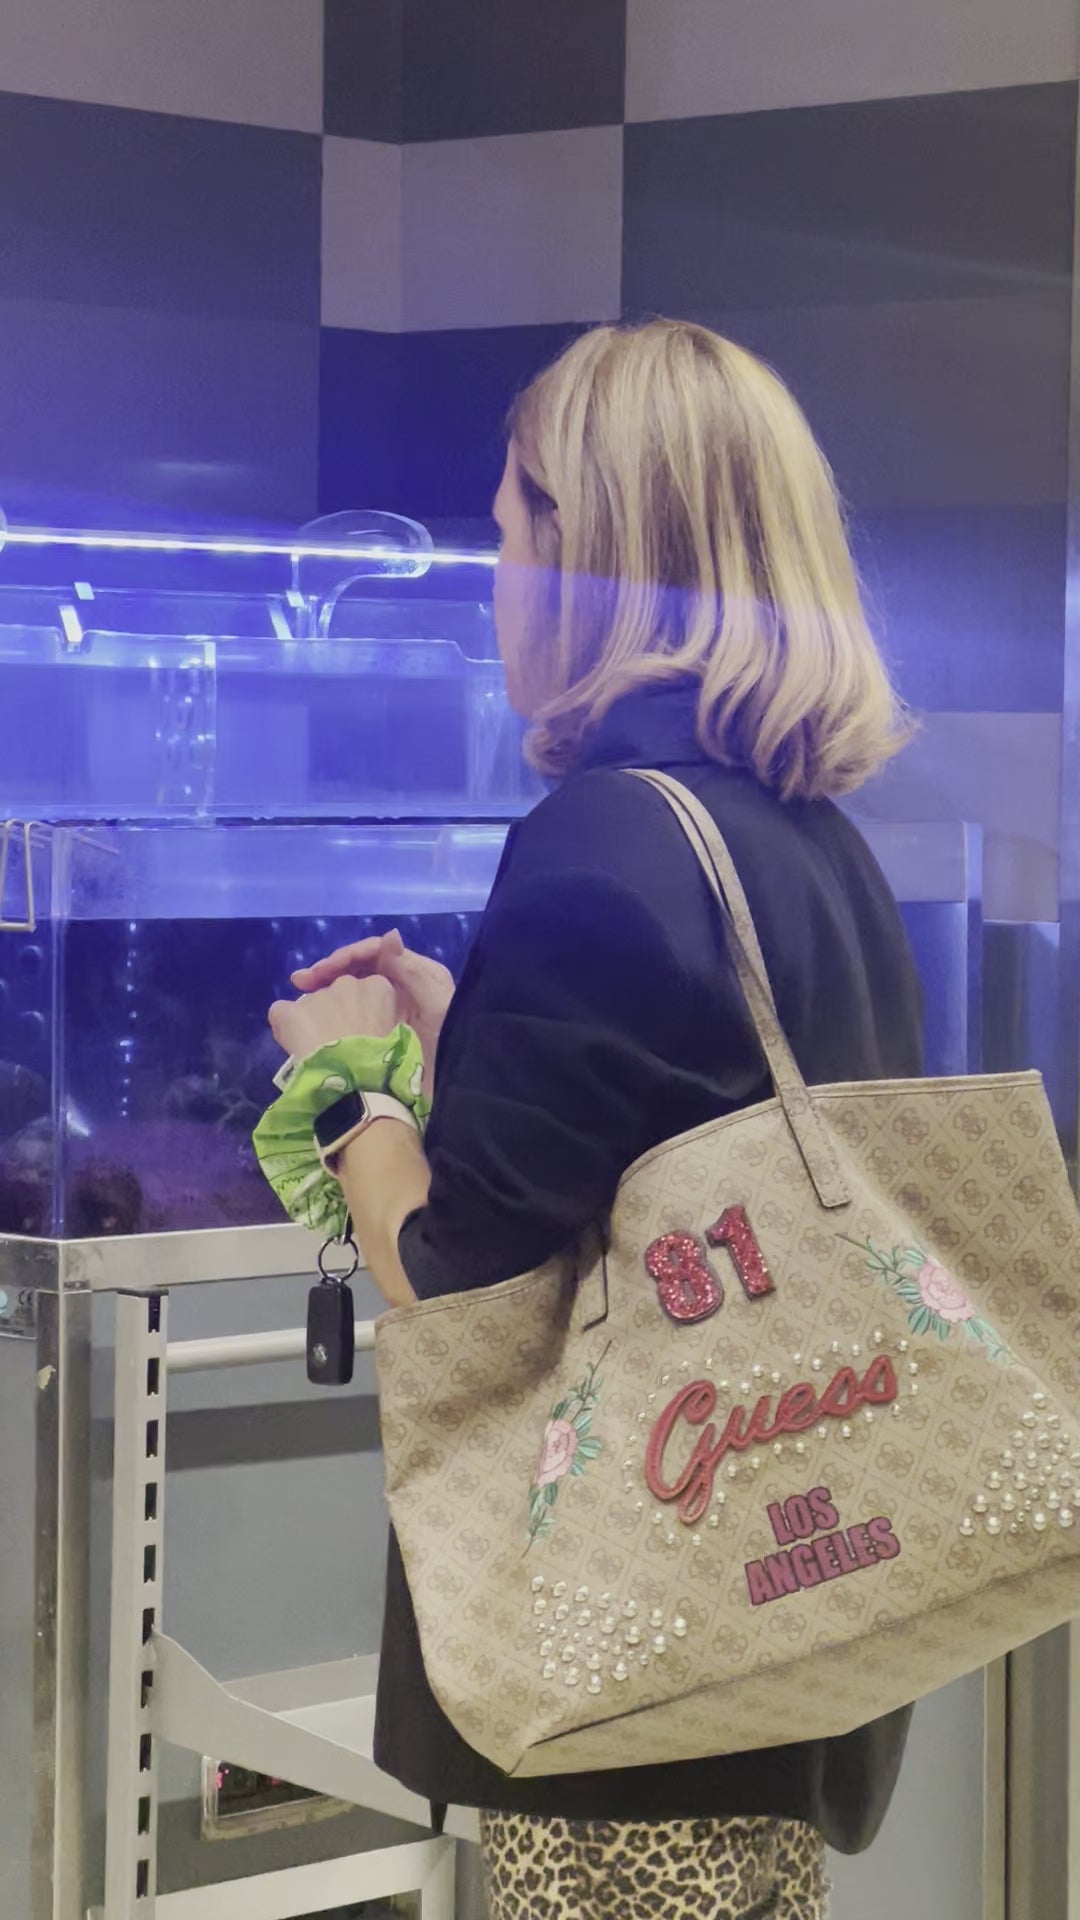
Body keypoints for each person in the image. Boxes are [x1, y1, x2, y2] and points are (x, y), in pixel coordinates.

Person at [267, 319, 923, 1920]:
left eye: (507, 533)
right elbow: (663, 1145)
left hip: (634, 1675)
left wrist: (350, 1089)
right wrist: (474, 1019)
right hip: (785, 1635)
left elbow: (455, 1285)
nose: (499, 583)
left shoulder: (599, 844)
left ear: (585, 550)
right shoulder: (808, 843)